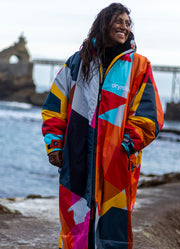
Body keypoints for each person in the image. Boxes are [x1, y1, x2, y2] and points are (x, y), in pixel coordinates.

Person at [41, 3, 164, 249]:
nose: (124, 27)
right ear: (104, 23)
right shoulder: (76, 63)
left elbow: (150, 115)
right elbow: (55, 105)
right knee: (75, 219)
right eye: (119, 21)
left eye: (128, 23)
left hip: (117, 159)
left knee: (114, 225)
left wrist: (128, 145)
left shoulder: (139, 66)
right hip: (76, 155)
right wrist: (55, 145)